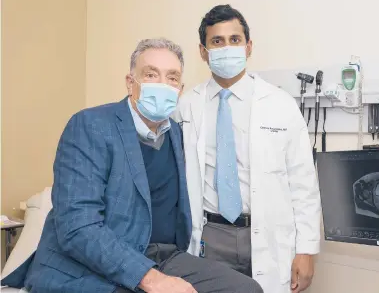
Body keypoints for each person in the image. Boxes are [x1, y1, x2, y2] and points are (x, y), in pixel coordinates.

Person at [2, 38, 262, 293]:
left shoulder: (177, 134)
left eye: (172, 78)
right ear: (130, 82)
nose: (163, 85)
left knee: (246, 288)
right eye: (151, 75)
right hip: (88, 264)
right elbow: (78, 227)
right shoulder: (90, 126)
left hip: (162, 257)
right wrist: (151, 279)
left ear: (180, 89)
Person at [174, 5, 321, 293]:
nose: (226, 47)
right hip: (211, 233)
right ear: (203, 52)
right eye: (217, 41)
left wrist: (306, 250)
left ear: (248, 46)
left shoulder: (280, 104)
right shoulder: (186, 106)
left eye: (234, 40)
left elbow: (303, 182)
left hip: (267, 234)